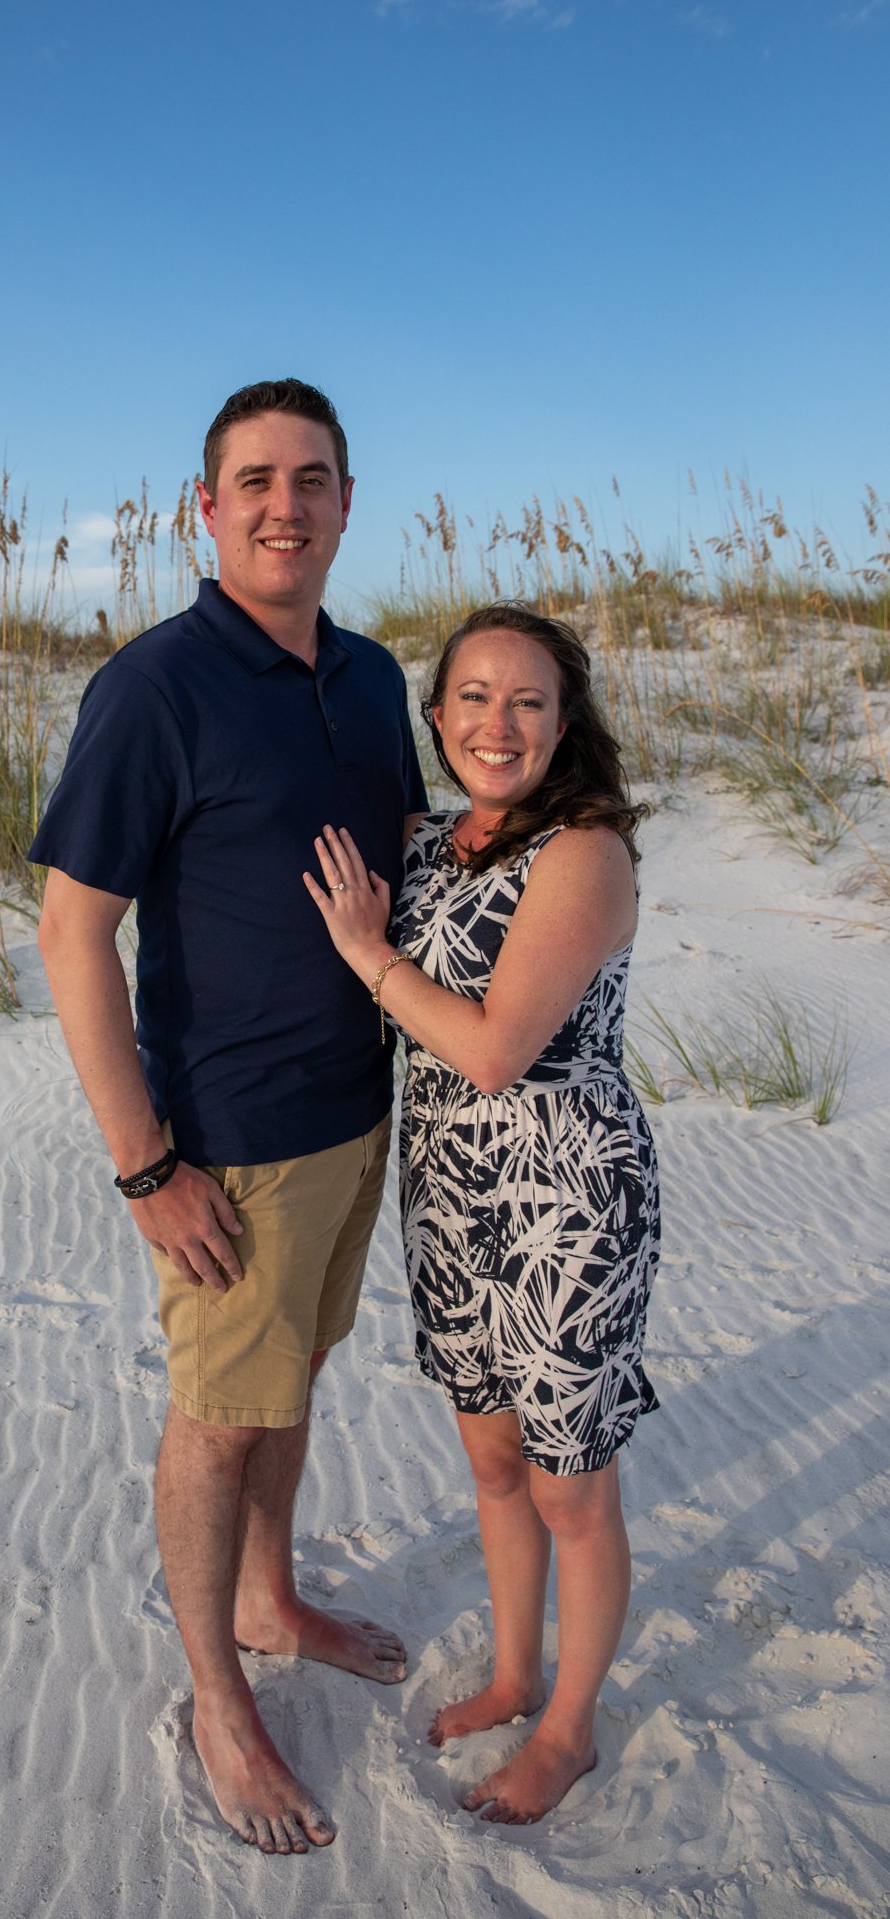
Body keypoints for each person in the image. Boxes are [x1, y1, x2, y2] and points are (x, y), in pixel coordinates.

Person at [31, 379, 428, 1856]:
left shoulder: (373, 677)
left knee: (294, 1378)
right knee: (213, 1420)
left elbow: (406, 855)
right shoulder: (156, 686)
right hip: (231, 1139)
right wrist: (147, 1168)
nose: (284, 505)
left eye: (311, 478)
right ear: (205, 508)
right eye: (254, 480)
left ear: (346, 502)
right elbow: (72, 933)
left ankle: (271, 1596)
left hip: (358, 1113)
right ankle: (216, 1691)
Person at [305, 602, 660, 1825]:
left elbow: (499, 1049)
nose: (496, 724)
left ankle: (569, 1728)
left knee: (572, 1489)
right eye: (473, 697)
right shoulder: (426, 838)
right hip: (452, 1195)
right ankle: (514, 1675)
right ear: (437, 713)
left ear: (564, 722)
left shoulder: (586, 854)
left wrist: (371, 958)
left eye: (526, 701)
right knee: (496, 1465)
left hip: (568, 1198)